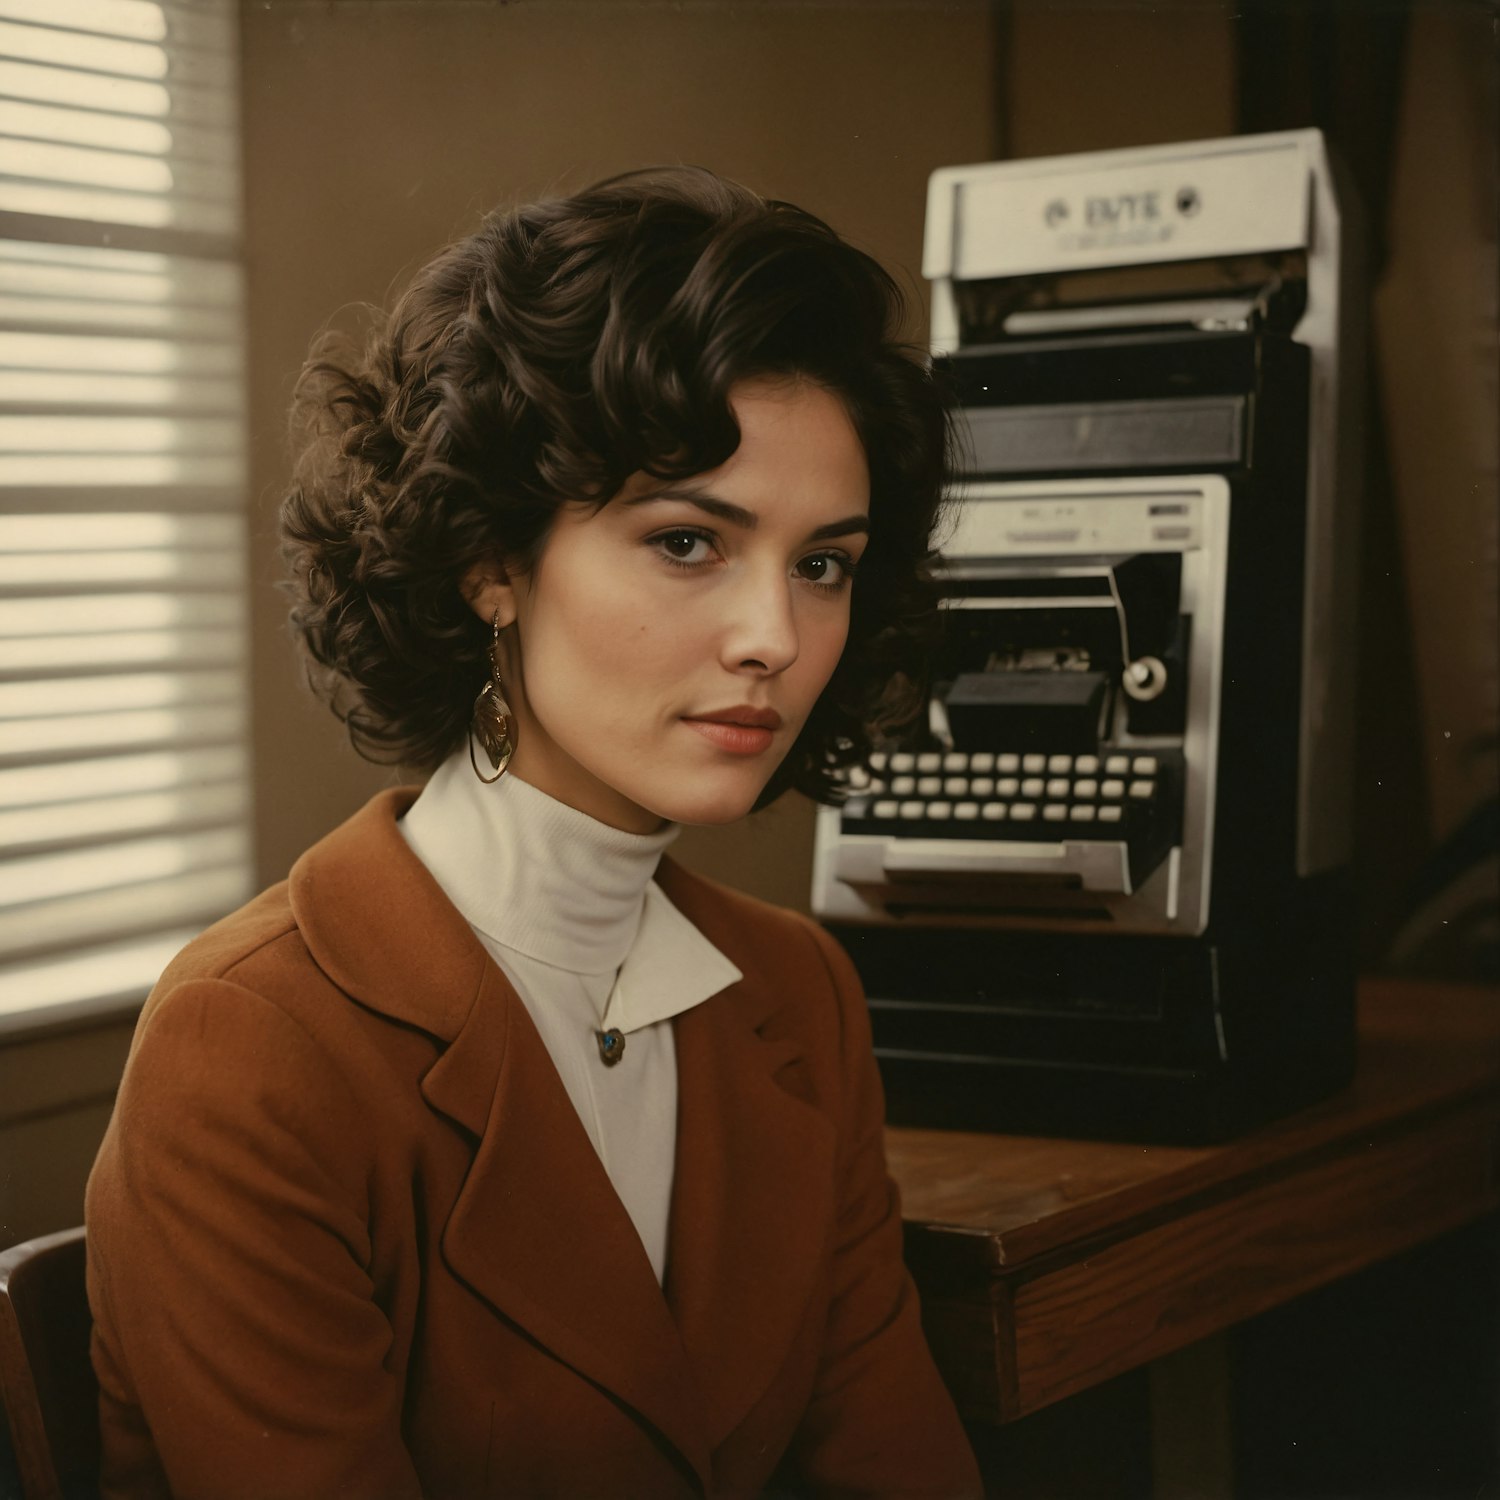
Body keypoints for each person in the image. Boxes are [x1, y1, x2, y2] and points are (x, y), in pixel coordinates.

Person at [85, 167, 982, 1500]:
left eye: (822, 563)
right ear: (490, 563)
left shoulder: (800, 997)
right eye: (688, 542)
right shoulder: (250, 1046)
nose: (775, 639)